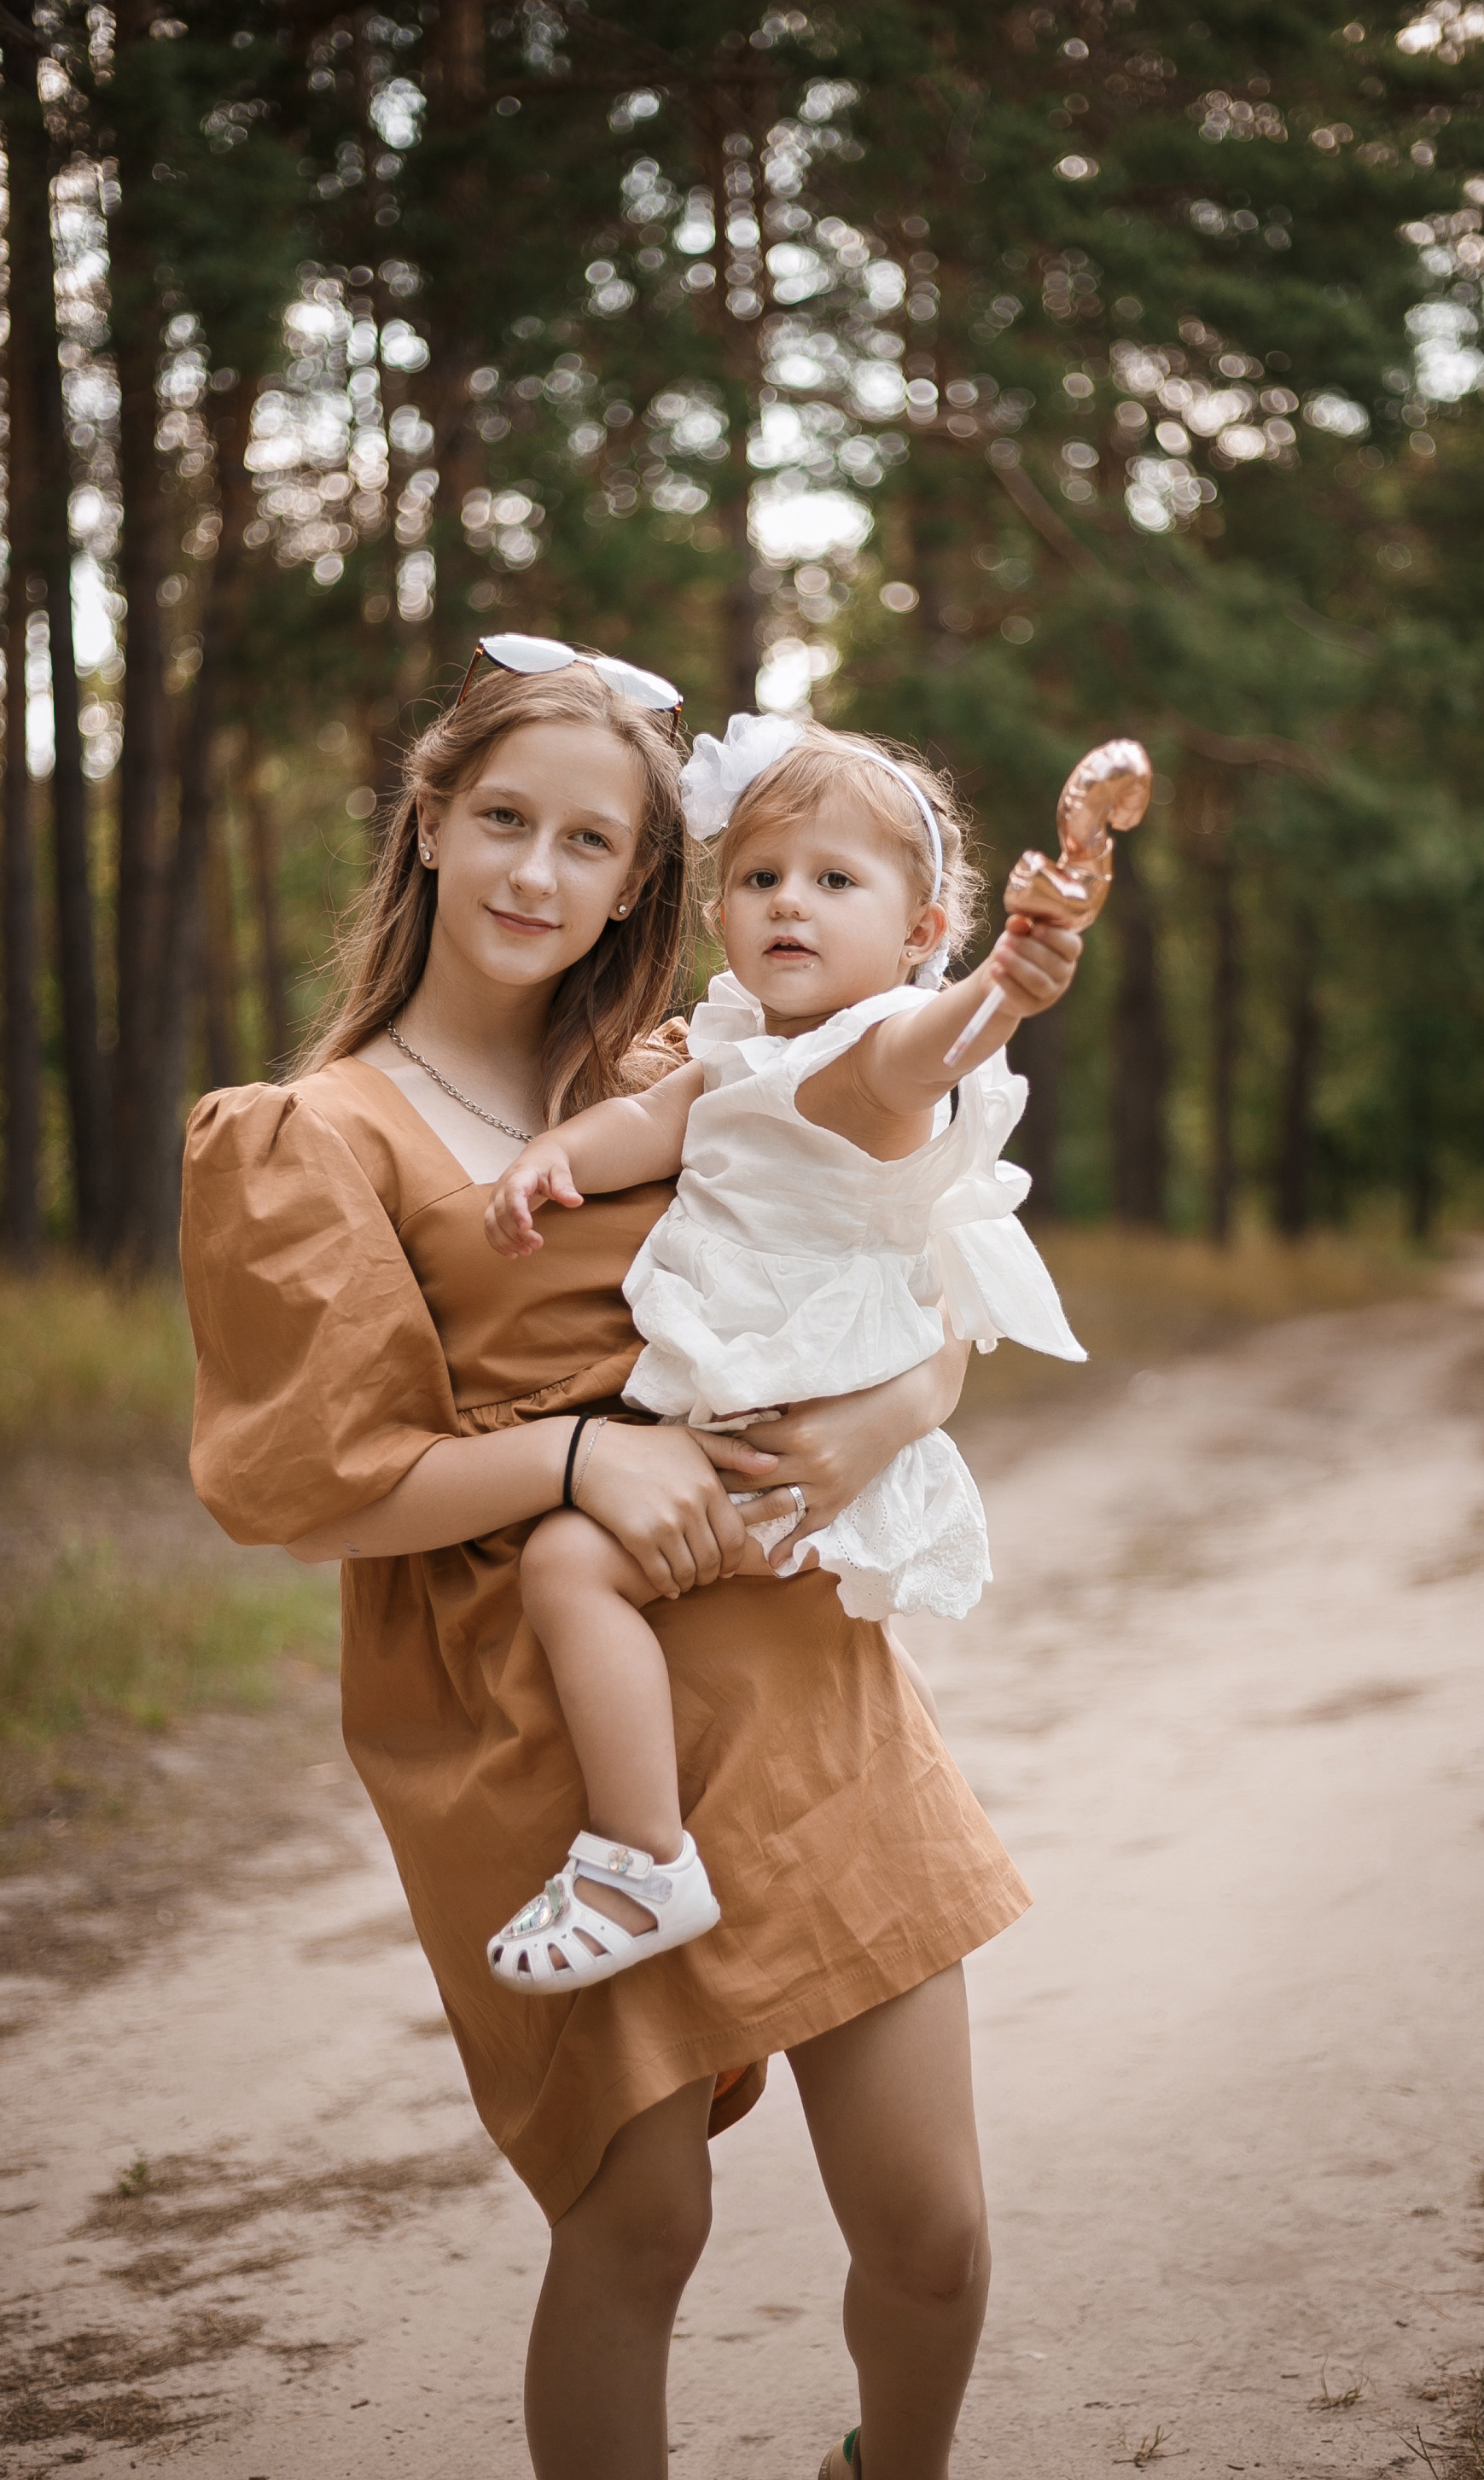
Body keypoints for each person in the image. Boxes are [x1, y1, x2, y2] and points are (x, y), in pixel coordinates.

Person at [179, 639, 1033, 2480]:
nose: (535, 874)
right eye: (503, 820)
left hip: (794, 1669)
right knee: (640, 2224)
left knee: (936, 2231)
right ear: (428, 822)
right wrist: (577, 1453)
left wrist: (891, 1415)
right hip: (546, 1717)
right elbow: (309, 1490)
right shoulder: (312, 1134)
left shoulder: (692, 1060)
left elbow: (914, 1274)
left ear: (643, 879)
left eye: (590, 842)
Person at [480, 710, 1085, 2002]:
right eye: (759, 877)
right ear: (721, 913)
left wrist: (1004, 988)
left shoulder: (875, 1054)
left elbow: (936, 1047)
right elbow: (648, 1126)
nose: (788, 903)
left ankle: (639, 1858)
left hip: (792, 1438)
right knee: (661, 1609)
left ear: (920, 934)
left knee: (570, 1564)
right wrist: (553, 1156)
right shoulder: (742, 1052)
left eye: (834, 880)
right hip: (758, 1420)